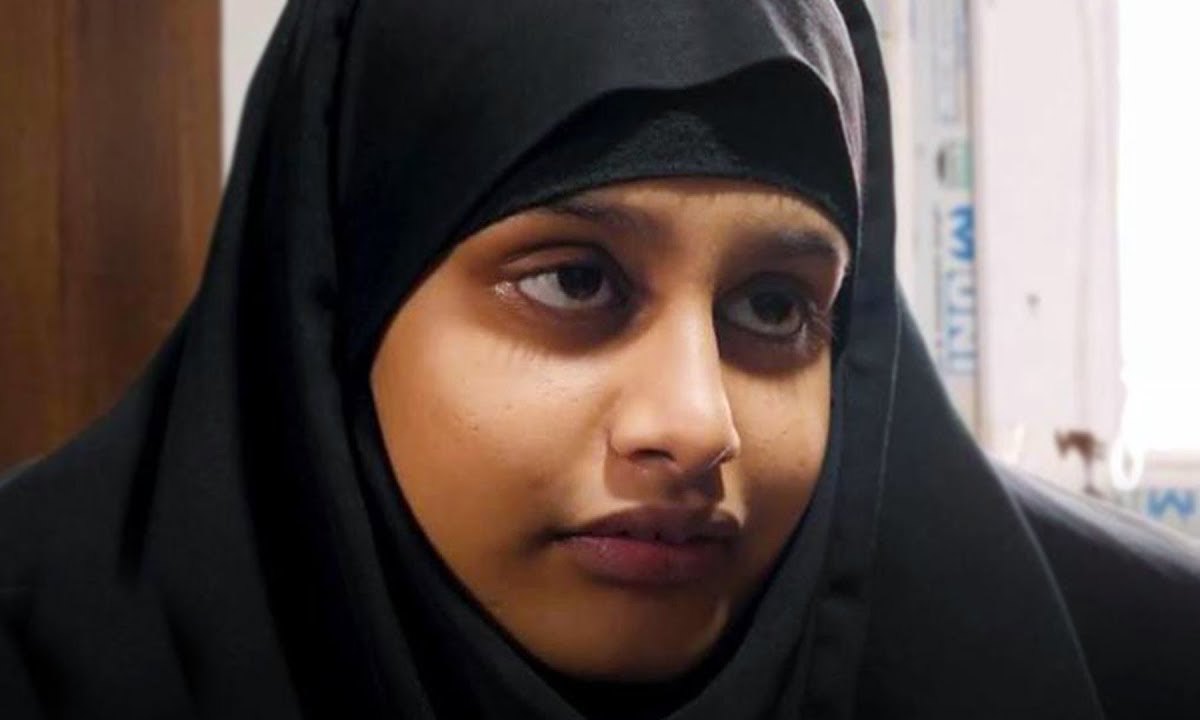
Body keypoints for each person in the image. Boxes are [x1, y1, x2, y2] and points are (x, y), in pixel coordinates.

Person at [1, 1, 1197, 718]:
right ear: (339, 305)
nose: (697, 424)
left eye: (774, 307)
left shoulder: (1137, 663)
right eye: (575, 283)